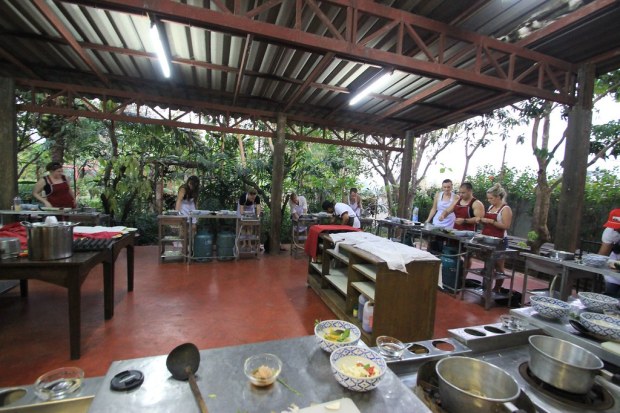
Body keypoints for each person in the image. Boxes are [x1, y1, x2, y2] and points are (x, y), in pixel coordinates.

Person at [480, 183, 513, 293]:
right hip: (488, 239)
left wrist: (492, 222)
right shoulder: (491, 207)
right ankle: (485, 286)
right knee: (488, 264)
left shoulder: (505, 209)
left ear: (498, 197)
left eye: (491, 198)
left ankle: (497, 288)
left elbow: (506, 226)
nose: (489, 200)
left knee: (499, 266)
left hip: (500, 241)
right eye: (488, 198)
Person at [598, 208, 620, 297]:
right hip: (614, 271)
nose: (615, 229)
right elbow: (602, 255)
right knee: (611, 297)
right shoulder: (611, 231)